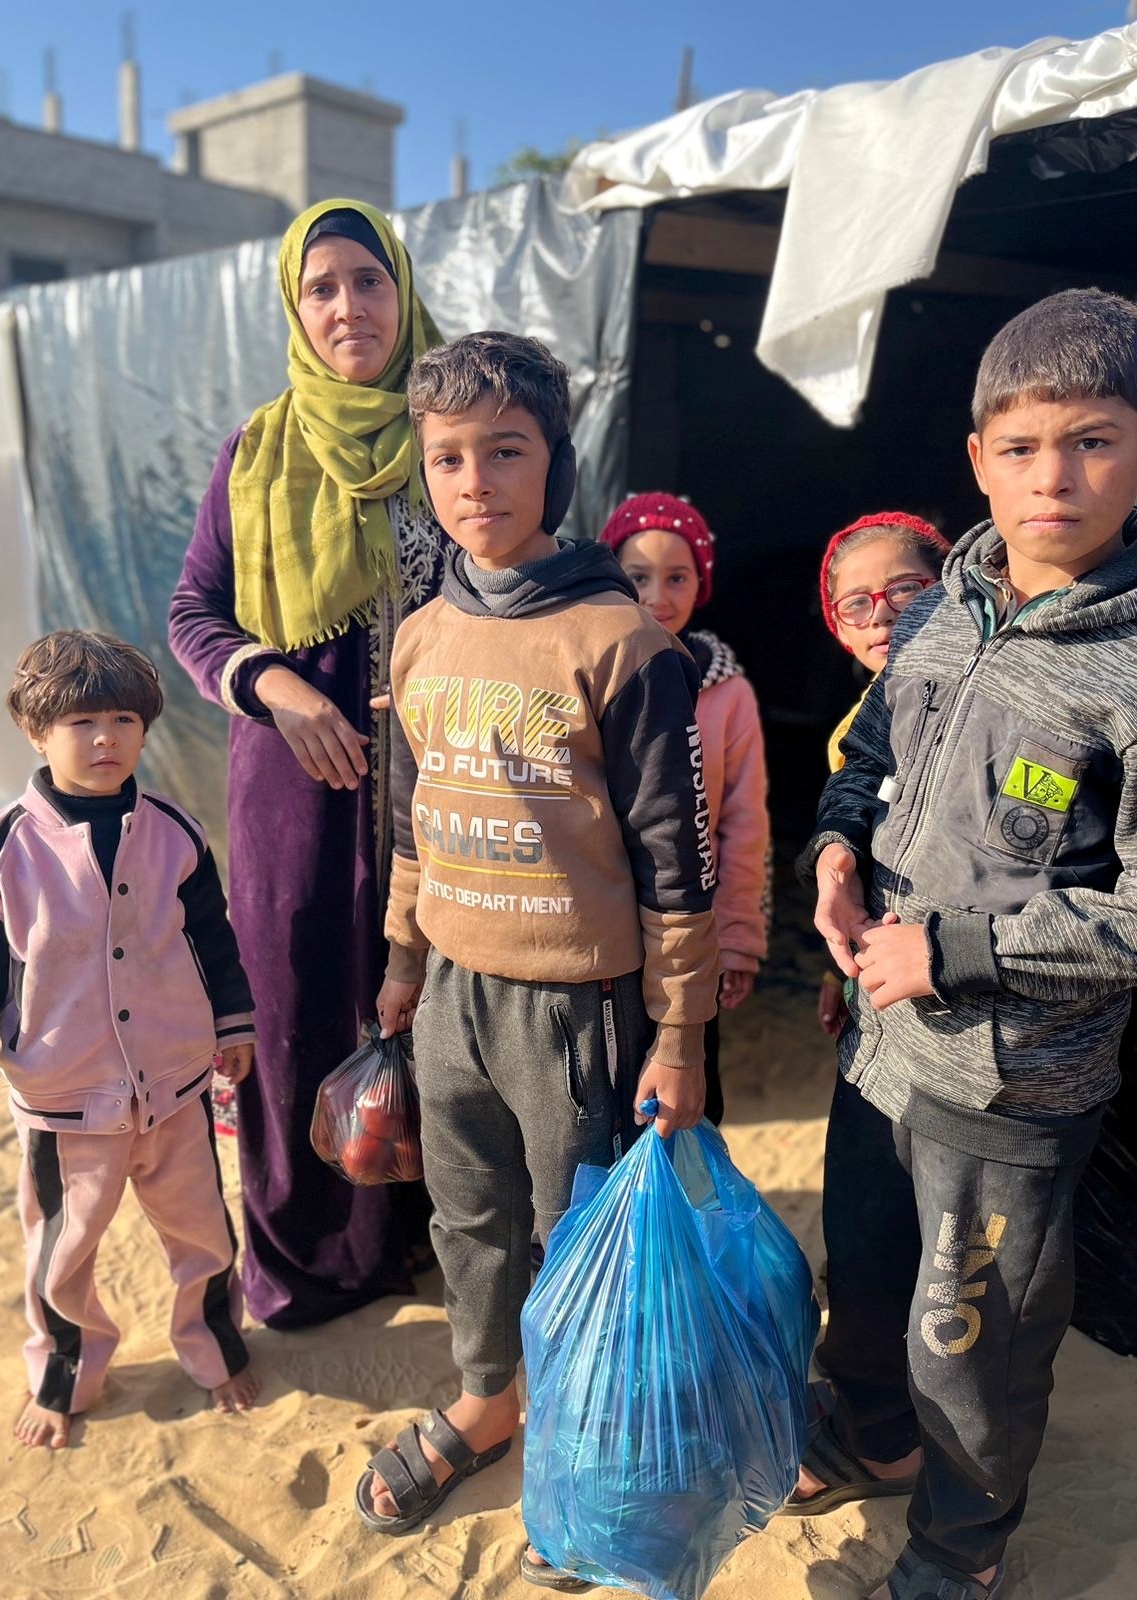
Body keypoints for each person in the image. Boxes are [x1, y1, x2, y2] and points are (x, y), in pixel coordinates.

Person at [356, 331, 718, 1590]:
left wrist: (676, 1035)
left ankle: (582, 1443)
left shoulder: (621, 640)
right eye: (447, 458)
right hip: (449, 993)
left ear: (555, 463)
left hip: (576, 1005)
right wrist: (404, 963)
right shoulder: (419, 634)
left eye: (505, 452)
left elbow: (679, 863)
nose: (474, 482)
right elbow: (407, 817)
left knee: (582, 1237)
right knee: (467, 1215)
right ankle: (487, 1398)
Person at [792, 286, 1137, 1600]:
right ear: (977, 458)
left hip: (1012, 1083)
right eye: (1023, 445)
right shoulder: (946, 607)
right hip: (879, 1043)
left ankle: (958, 1550)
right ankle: (868, 1435)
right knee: (869, 1278)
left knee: (973, 1339)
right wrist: (834, 848)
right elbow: (874, 752)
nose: (1054, 476)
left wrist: (954, 952)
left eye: (1094, 439)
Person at [169, 200, 444, 1329]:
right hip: (294, 791)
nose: (349, 309)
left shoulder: (455, 428)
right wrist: (277, 686)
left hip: (441, 789)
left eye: (368, 282)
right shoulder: (256, 453)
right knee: (295, 1005)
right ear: (295, 305)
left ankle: (421, 1242)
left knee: (431, 1007)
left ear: (403, 289)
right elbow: (194, 613)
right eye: (322, 288)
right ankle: (304, 1257)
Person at [0, 631, 258, 1450]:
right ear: (34, 730)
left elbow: (212, 940)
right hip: (63, 1100)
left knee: (202, 1234)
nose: (106, 738)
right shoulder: (0, 847)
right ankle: (63, 1378)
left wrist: (232, 1026)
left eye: (122, 718)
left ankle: (215, 1349)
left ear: (147, 727)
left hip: (177, 1085)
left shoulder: (177, 832)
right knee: (62, 1255)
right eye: (82, 722)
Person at [601, 492, 769, 1123]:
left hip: (691, 947)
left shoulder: (727, 692)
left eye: (677, 577)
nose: (657, 595)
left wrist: (736, 941)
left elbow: (743, 825)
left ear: (703, 582)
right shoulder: (590, 669)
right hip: (602, 940)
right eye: (637, 577)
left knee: (683, 1108)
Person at [816, 514, 950, 1037]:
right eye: (856, 602)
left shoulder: (980, 705)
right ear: (841, 629)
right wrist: (837, 967)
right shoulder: (853, 727)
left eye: (906, 590)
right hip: (877, 958)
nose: (882, 615)